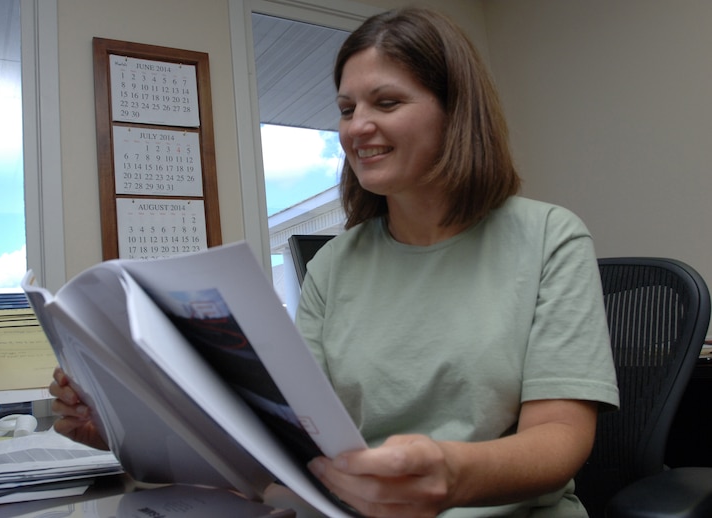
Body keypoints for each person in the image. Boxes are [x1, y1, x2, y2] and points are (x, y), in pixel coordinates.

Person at [50, 6, 619, 517]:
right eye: (347, 108)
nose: (356, 127)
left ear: (456, 113)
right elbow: (287, 437)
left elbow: (561, 437)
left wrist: (453, 475)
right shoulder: (333, 264)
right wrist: (128, 426)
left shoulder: (548, 236)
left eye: (387, 102)